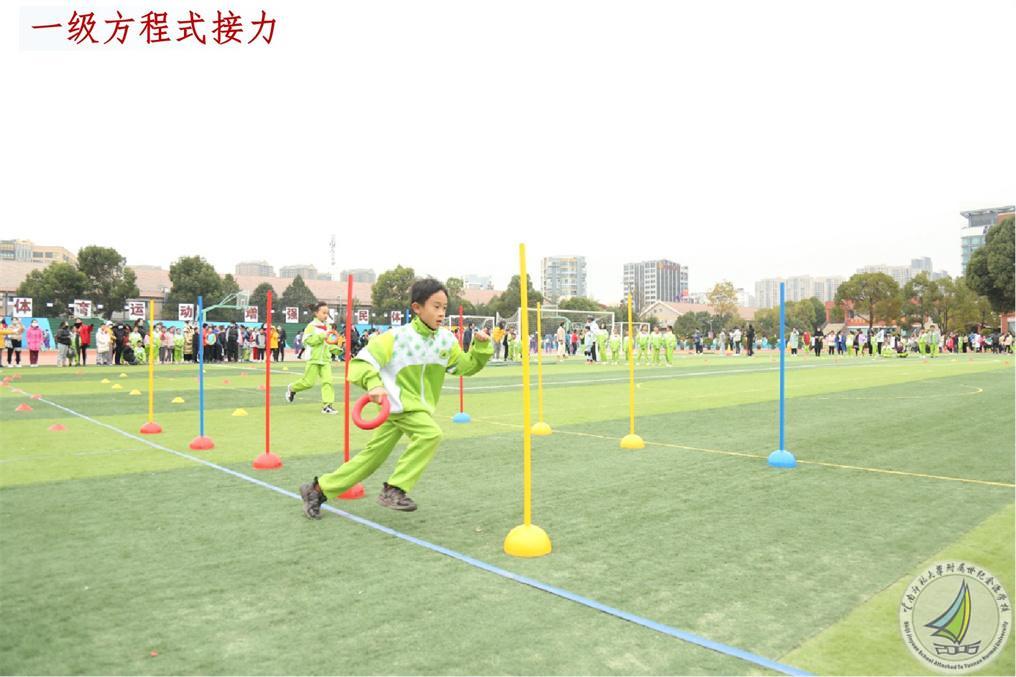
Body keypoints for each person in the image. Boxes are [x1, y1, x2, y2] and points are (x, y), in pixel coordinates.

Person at [300, 279, 493, 516]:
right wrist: (374, 385)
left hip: (403, 410)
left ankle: (317, 490)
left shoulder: (446, 340)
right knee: (431, 434)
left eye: (444, 307)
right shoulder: (395, 338)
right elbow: (359, 365)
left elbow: (466, 366)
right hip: (400, 405)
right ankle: (394, 489)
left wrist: (480, 348)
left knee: (371, 458)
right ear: (417, 308)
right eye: (436, 306)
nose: (442, 313)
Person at [285, 303, 342, 414]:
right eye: (323, 313)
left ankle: (327, 406)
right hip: (313, 359)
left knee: (328, 382)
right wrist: (322, 336)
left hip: (325, 360)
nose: (326, 315)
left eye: (327, 313)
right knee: (308, 383)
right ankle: (292, 388)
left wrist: (336, 349)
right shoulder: (311, 326)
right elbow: (307, 341)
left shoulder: (328, 327)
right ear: (316, 313)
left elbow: (328, 343)